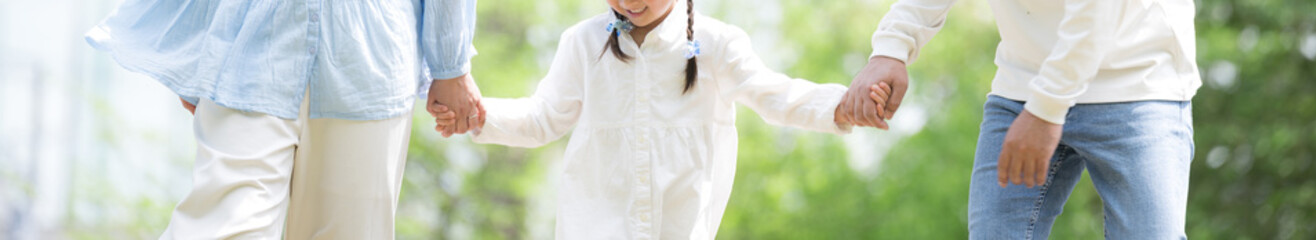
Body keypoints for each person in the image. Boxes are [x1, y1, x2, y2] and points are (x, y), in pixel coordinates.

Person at [426, 0, 891, 238]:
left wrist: (841, 105)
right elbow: (543, 118)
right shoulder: (582, 44)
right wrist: (477, 116)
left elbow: (775, 95)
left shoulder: (717, 44)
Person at [85, 0, 482, 238]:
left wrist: (451, 62)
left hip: (370, 56)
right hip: (251, 49)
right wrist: (194, 45)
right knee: (221, 228)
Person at [844, 0, 1201, 239]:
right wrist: (892, 48)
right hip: (1023, 83)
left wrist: (1046, 109)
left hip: (1137, 81)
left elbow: (1096, 11)